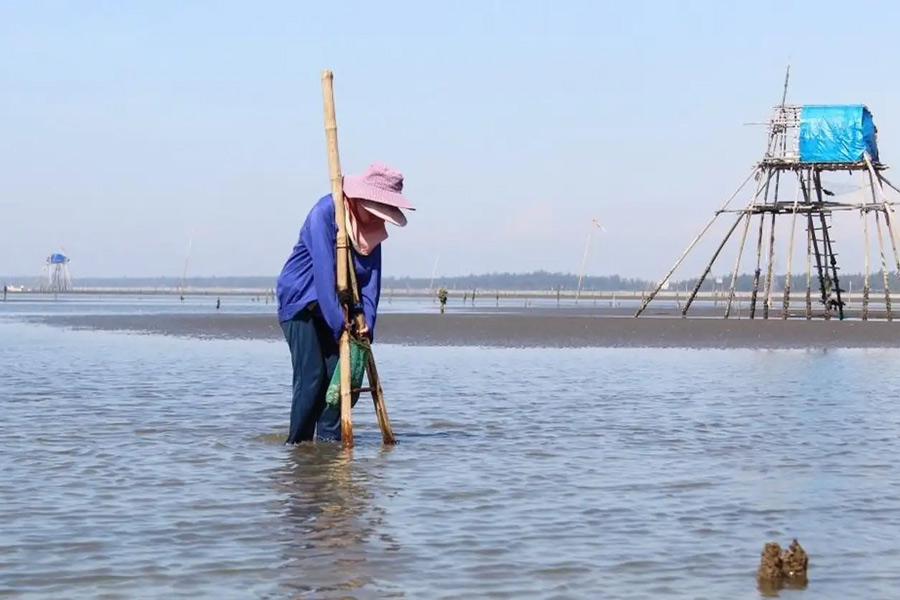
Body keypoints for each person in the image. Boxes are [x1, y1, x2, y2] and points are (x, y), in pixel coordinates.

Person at [276, 162, 413, 444]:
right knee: (312, 377)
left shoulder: (370, 231)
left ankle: (329, 445)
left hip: (341, 307)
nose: (379, 220)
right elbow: (325, 276)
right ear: (360, 199)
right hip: (302, 301)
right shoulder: (325, 213)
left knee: (337, 382)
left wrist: (367, 324)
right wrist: (340, 325)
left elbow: (372, 280)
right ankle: (298, 447)